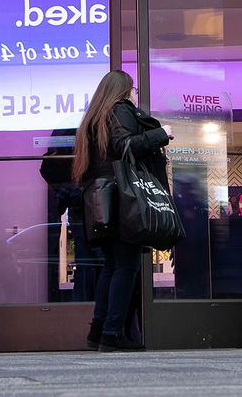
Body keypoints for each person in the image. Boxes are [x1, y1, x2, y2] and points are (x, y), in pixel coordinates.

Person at [72, 70, 172, 352]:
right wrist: (160, 135)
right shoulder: (120, 109)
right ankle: (112, 333)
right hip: (122, 200)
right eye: (133, 88)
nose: (135, 93)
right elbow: (125, 145)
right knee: (125, 267)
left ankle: (98, 332)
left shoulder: (94, 117)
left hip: (101, 201)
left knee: (113, 267)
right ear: (124, 90)